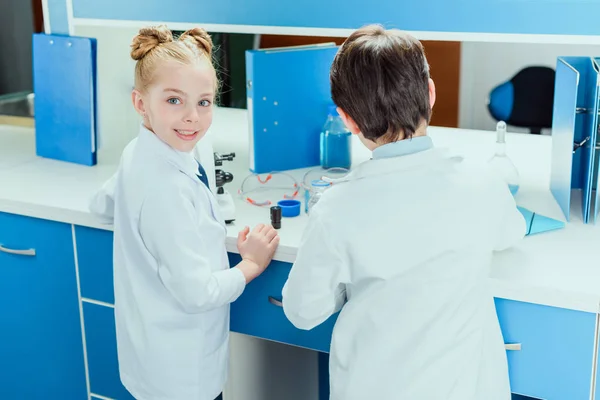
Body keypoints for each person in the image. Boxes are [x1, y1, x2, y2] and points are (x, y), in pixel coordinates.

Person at [282, 25, 525, 400]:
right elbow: (510, 234)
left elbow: (302, 312)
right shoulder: (482, 180)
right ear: (430, 93)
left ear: (346, 119)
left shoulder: (336, 208)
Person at [89, 25, 279, 400]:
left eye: (204, 102)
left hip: (152, 358)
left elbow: (100, 206)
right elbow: (198, 293)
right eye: (174, 100)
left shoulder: (138, 152)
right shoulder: (166, 188)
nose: (192, 117)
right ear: (140, 103)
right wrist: (251, 265)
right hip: (181, 377)